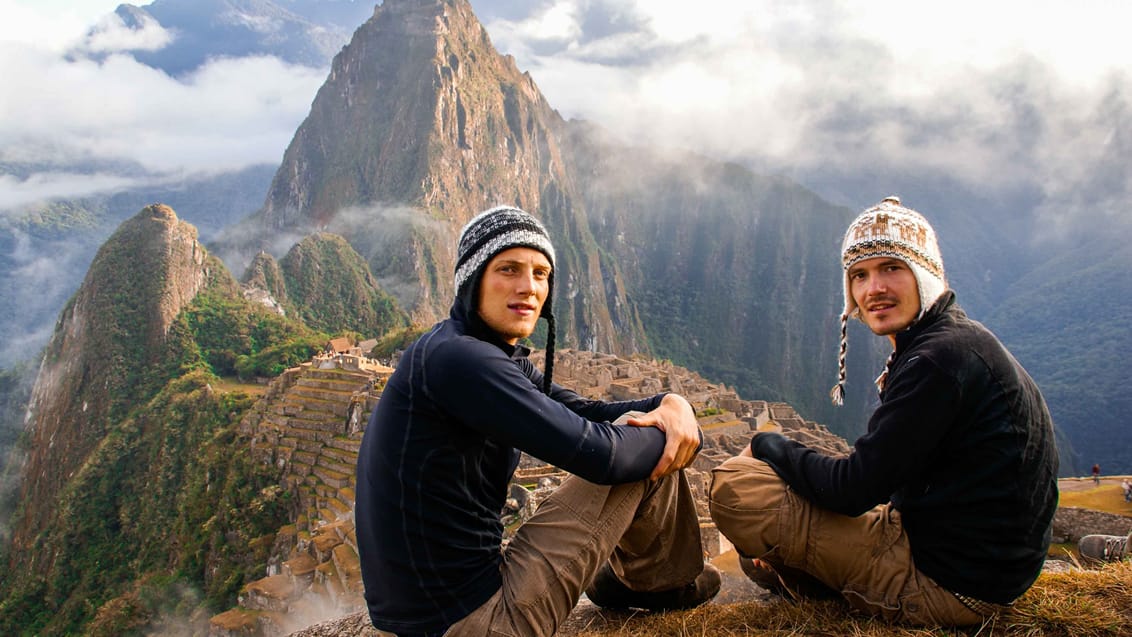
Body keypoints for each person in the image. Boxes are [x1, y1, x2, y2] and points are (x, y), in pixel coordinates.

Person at [355, 206, 720, 637]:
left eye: (541, 273)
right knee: (646, 450)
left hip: (440, 608)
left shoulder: (469, 348)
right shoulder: (463, 361)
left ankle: (637, 580)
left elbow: (591, 411)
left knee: (642, 429)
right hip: (473, 621)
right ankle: (656, 585)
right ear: (472, 280)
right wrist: (667, 428)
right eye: (508, 269)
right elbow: (601, 456)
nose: (529, 287)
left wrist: (671, 401)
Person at [709, 196, 1059, 626]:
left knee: (735, 488)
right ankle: (823, 573)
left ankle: (845, 584)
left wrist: (766, 445)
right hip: (974, 560)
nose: (874, 289)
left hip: (951, 586)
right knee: (758, 552)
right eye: (860, 275)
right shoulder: (954, 341)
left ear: (925, 273)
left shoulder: (936, 361)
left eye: (891, 268)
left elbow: (853, 489)